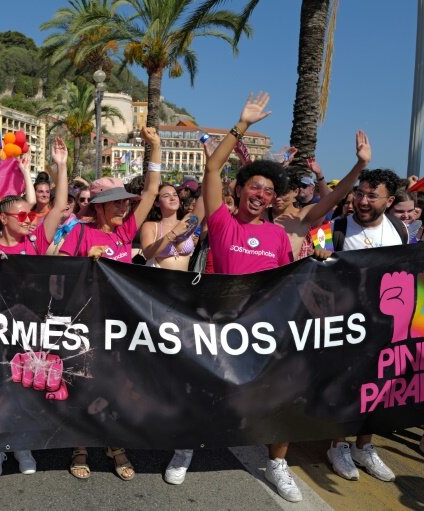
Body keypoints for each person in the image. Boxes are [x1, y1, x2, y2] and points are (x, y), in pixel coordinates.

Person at [199, 92, 300, 503]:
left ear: (274, 199)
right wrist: (242, 125)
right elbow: (212, 166)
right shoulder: (221, 222)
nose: (260, 194)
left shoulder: (278, 235)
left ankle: (276, 464)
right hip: (219, 327)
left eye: (269, 190)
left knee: (280, 398)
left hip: (263, 331)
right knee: (202, 392)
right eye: (254, 186)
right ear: (239, 190)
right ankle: (185, 448)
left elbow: (288, 282)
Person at [58, 126, 162, 481]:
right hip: (85, 324)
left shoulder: (125, 231)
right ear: (99, 206)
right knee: (84, 384)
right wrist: (85, 262)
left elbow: (151, 191)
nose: (124, 206)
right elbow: (56, 272)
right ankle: (80, 445)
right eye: (117, 202)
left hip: (118, 325)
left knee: (117, 386)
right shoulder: (79, 232)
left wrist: (155, 146)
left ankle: (114, 443)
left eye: (125, 202)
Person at [0, 137, 68, 477]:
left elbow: (58, 207)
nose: (30, 219)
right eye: (23, 215)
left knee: (25, 389)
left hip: (30, 331)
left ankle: (22, 445)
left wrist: (61, 166)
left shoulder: (36, 241)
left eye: (32, 214)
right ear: (3, 219)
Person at [317, 169, 406, 484]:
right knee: (345, 387)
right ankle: (338, 445)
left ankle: (364, 446)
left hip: (385, 324)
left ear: (389, 201)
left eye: (372, 196)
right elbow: (314, 269)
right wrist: (321, 255)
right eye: (359, 193)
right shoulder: (334, 228)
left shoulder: (400, 230)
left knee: (378, 388)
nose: (363, 201)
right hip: (345, 324)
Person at [272, 133, 372, 259]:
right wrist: (280, 166)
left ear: (295, 192)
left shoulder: (307, 216)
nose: (278, 198)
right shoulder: (261, 215)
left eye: (284, 193)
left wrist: (361, 164)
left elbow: (333, 197)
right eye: (274, 192)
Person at [140, 184, 202, 270]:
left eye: (175, 195)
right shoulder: (150, 226)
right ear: (157, 203)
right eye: (166, 196)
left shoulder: (186, 222)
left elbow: (203, 199)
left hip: (184, 278)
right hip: (157, 278)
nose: (172, 198)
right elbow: (148, 254)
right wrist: (174, 233)